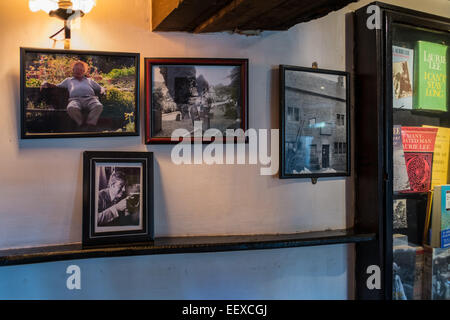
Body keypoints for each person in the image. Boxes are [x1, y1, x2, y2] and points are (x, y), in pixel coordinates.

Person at [41, 61, 105, 130]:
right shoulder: (68, 80)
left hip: (90, 99)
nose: (78, 71)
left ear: (84, 71)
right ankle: (82, 124)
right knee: (71, 108)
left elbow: (100, 87)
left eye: (81, 70)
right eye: (77, 69)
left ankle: (90, 124)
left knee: (98, 106)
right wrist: (45, 83)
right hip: (75, 100)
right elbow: (57, 86)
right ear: (73, 70)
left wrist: (102, 90)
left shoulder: (89, 80)